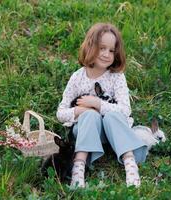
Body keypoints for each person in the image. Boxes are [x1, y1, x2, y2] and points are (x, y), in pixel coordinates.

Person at [56, 23, 148, 188]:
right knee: (89, 115)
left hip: (113, 131)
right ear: (91, 47)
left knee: (113, 115)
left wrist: (98, 104)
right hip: (86, 131)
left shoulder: (116, 77)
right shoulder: (77, 77)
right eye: (102, 48)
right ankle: (79, 167)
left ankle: (130, 164)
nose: (106, 54)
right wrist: (81, 110)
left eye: (111, 50)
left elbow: (125, 110)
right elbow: (61, 113)